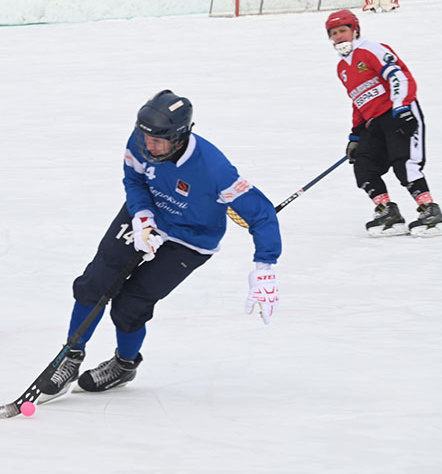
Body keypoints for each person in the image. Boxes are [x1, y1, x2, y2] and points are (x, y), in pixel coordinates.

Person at [37, 90, 283, 400]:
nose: (148, 146)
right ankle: (70, 357)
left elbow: (262, 215)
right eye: (145, 137)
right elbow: (135, 180)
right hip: (147, 216)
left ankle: (124, 365)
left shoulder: (215, 170)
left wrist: (265, 267)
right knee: (95, 282)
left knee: (130, 305)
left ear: (180, 137)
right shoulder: (141, 141)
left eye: (158, 141)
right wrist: (142, 216)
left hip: (191, 239)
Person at [325, 10, 442, 238]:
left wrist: (402, 107)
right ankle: (387, 212)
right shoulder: (342, 68)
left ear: (355, 30)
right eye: (333, 33)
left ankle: (430, 210)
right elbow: (358, 100)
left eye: (343, 30)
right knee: (364, 166)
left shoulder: (371, 49)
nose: (339, 36)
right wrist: (356, 135)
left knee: (404, 164)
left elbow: (398, 76)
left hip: (396, 113)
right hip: (373, 123)